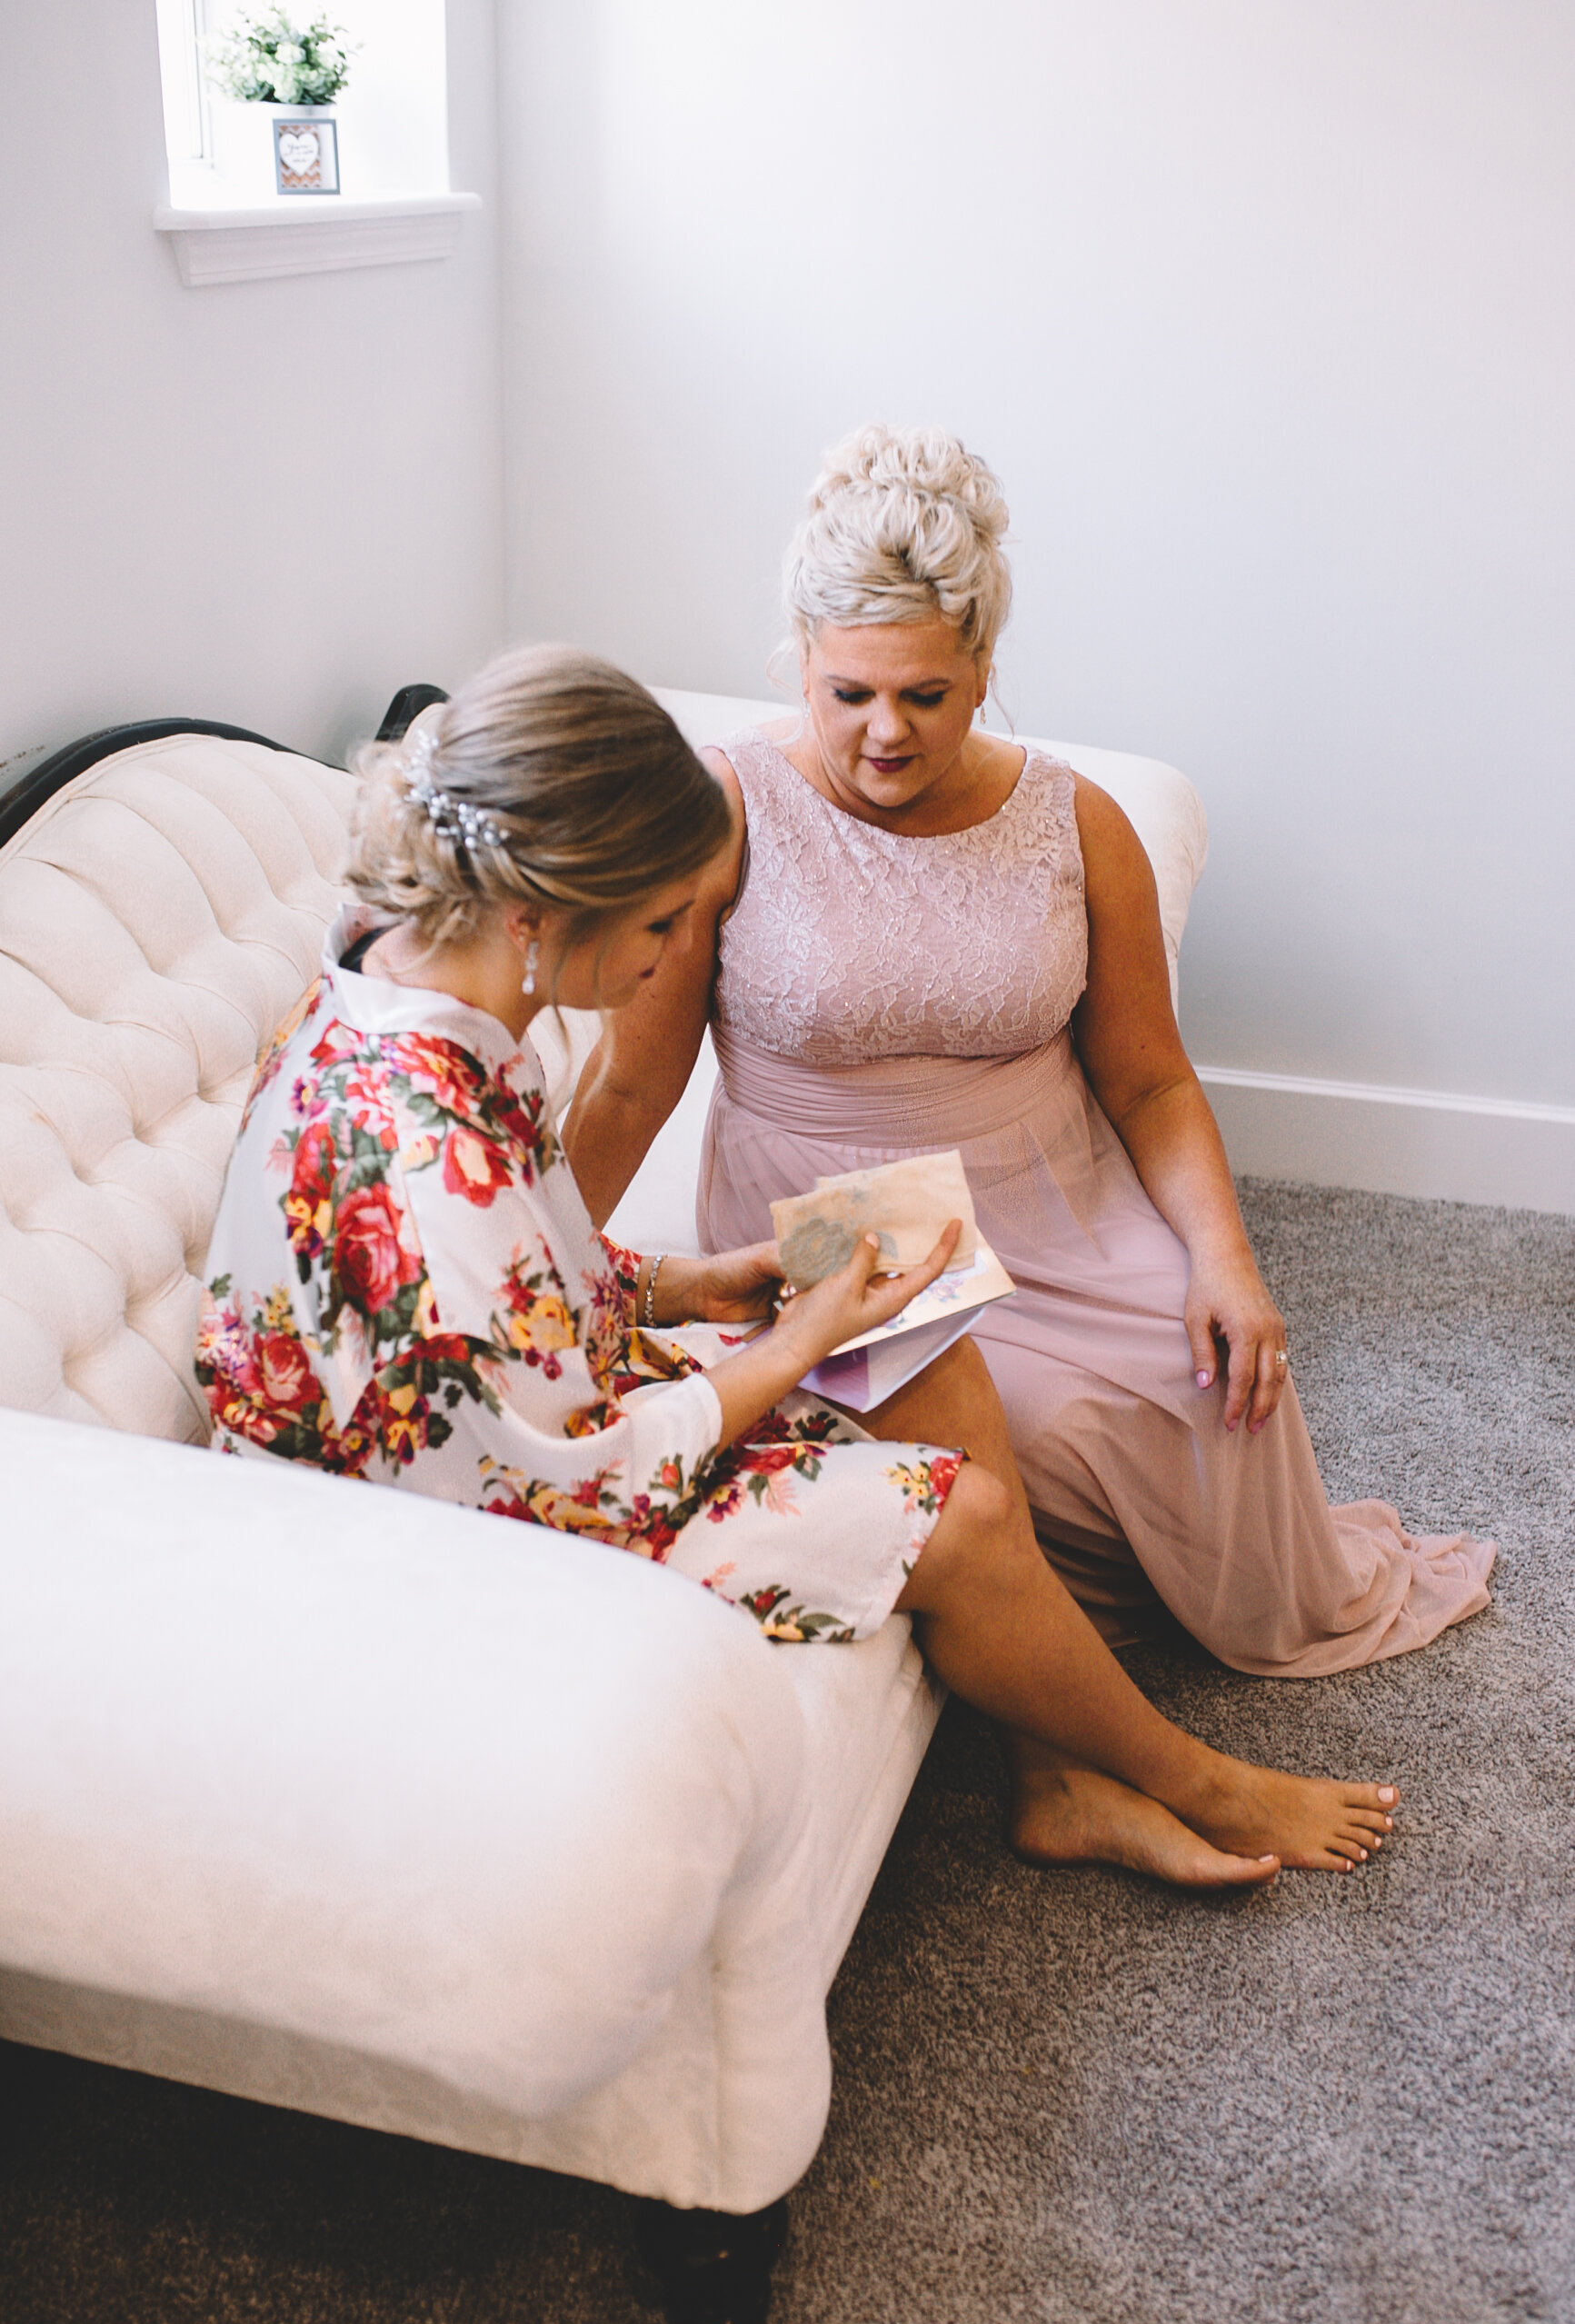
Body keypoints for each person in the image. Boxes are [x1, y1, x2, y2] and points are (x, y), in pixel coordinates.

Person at [197, 643, 1401, 1882]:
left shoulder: (407, 984)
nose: (674, 957)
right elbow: (554, 1476)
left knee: (906, 1300)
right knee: (969, 1516)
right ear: (536, 916)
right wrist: (795, 1340)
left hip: (494, 1418)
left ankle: (1057, 1781)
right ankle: (1196, 1778)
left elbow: (506, 1306)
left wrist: (699, 1283)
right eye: (661, 921)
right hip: (448, 1529)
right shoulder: (424, 1150)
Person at [568, 429, 1495, 1678]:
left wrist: (1224, 1259)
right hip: (844, 1215)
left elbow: (1151, 1079)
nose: (884, 733)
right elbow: (634, 1079)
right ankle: (1063, 1733)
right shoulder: (727, 806)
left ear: (985, 668)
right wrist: (538, 1269)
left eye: (925, 695)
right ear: (799, 665)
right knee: (1042, 1438)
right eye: (849, 694)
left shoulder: (1074, 818)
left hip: (1045, 1191)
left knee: (1218, 1405)